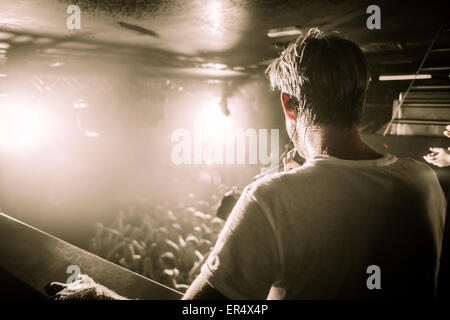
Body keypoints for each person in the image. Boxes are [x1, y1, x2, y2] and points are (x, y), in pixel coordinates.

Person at [46, 28, 446, 300]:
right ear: (360, 99)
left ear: (288, 103)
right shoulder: (422, 180)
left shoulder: (272, 199)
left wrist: (99, 297)